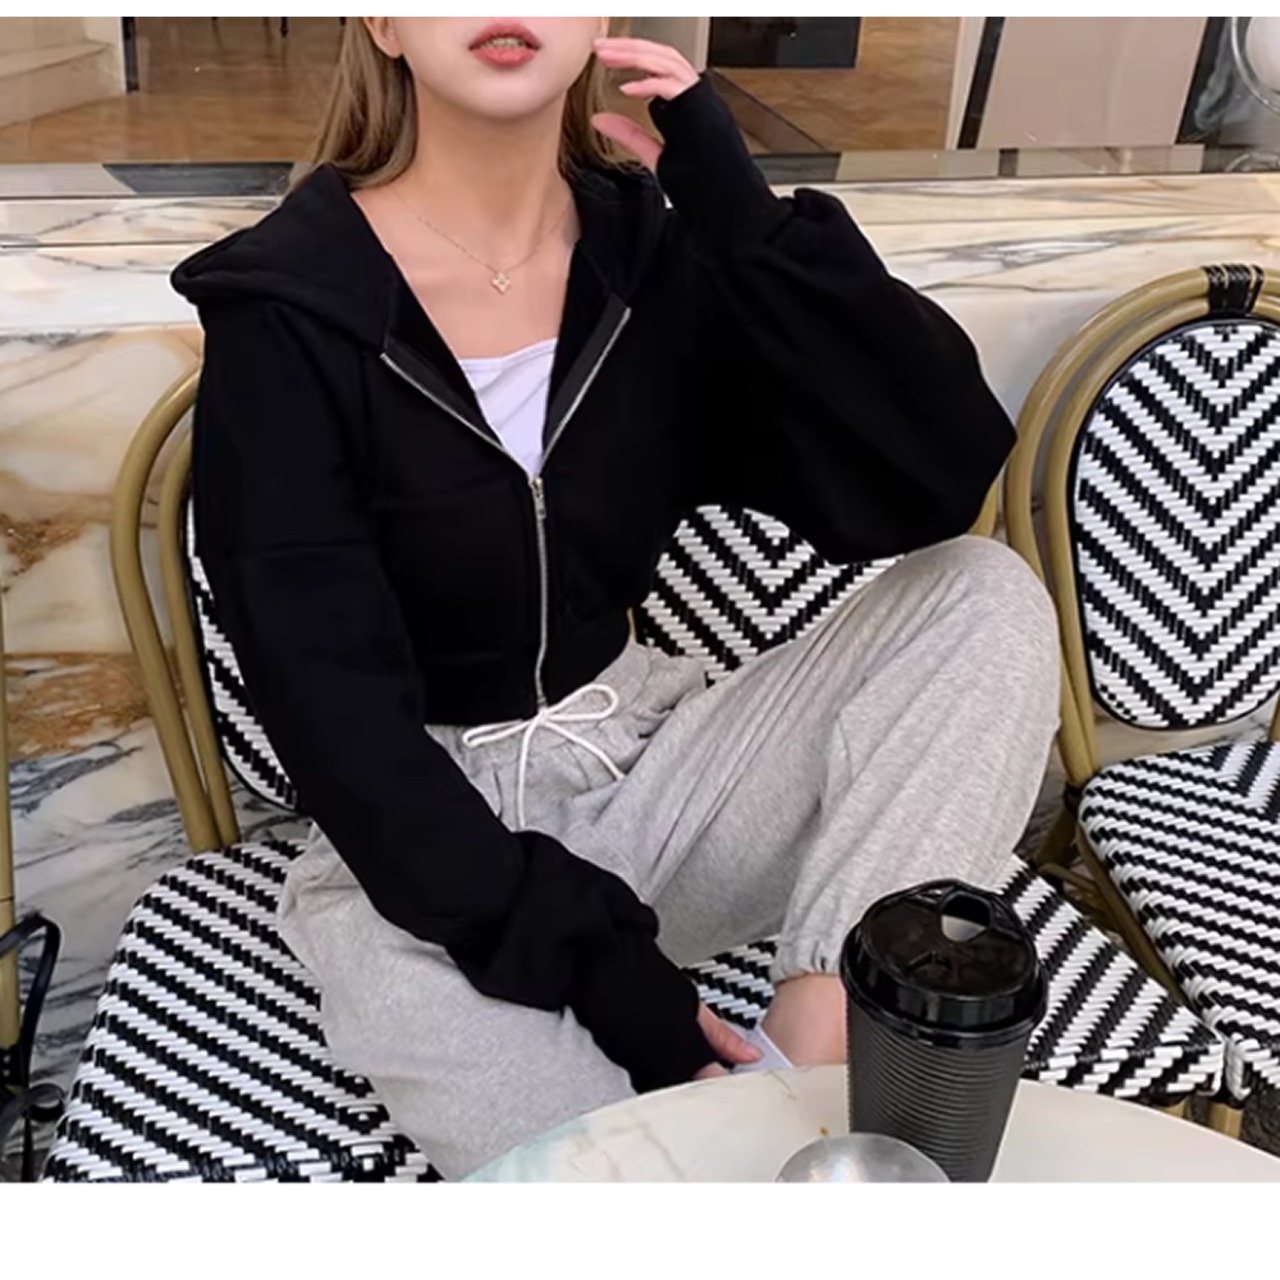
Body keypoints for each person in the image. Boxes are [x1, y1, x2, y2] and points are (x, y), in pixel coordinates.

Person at [172, 17, 1059, 1179]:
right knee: (604, 1182)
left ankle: (815, 1043)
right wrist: (610, 971)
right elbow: (331, 713)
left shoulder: (651, 260)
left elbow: (925, 483)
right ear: (381, 22)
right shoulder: (285, 308)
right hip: (418, 854)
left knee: (984, 593)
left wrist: (746, 225)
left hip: (648, 769)